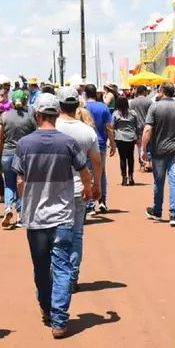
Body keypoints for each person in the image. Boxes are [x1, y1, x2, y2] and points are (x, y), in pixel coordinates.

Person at [12, 94, 92, 339]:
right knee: (62, 266)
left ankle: (48, 308)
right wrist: (89, 190)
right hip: (63, 216)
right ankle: (59, 319)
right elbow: (84, 171)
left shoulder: (24, 144)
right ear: (57, 115)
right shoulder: (68, 143)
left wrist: (24, 202)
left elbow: (19, 180)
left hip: (35, 217)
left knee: (41, 266)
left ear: (37, 115)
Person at [55, 87, 102, 293]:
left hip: (53, 190)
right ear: (77, 106)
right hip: (80, 189)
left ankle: (59, 275)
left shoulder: (51, 128)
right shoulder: (87, 131)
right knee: (76, 234)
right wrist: (97, 185)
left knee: (54, 233)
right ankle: (72, 276)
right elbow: (97, 162)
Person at [141, 82, 175, 227]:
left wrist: (143, 149)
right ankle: (174, 214)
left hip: (159, 150)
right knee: (174, 181)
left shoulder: (154, 107)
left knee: (159, 181)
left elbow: (148, 130)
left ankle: (157, 210)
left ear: (162, 91)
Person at [0, 90, 37, 228]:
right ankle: (20, 215)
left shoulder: (4, 116)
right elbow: (35, 136)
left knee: (9, 183)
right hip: (24, 154)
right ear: (26, 101)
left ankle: (8, 207)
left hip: (7, 154)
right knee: (22, 183)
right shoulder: (30, 118)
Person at [84, 84, 115, 215]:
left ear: (85, 93)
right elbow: (108, 127)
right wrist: (113, 143)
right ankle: (102, 201)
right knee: (101, 173)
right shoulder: (103, 107)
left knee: (87, 173)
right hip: (100, 143)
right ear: (96, 94)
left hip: (85, 143)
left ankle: (90, 205)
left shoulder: (82, 107)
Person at [112, 95, 142, 186]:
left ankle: (124, 177)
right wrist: (138, 136)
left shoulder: (116, 114)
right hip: (131, 137)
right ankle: (131, 175)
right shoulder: (133, 113)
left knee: (122, 158)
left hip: (120, 137)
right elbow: (138, 125)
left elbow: (112, 126)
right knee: (130, 157)